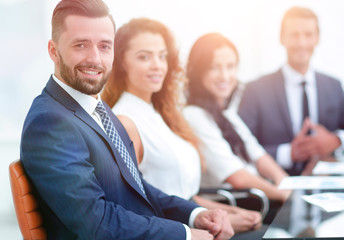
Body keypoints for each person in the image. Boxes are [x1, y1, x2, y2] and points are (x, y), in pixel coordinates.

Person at [19, 1, 234, 239]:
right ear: (53, 51)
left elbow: (137, 187)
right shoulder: (50, 122)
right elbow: (96, 222)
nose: (95, 59)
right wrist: (186, 235)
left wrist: (196, 215)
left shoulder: (96, 108)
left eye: (104, 46)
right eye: (80, 45)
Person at [102, 18, 264, 236]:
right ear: (121, 62)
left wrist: (228, 213)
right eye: (144, 57)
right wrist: (202, 227)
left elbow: (181, 194)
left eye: (162, 56)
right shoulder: (125, 122)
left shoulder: (160, 115)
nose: (157, 65)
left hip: (194, 224)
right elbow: (138, 207)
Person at [183, 33, 289, 224]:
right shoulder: (194, 116)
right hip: (240, 204)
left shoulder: (226, 112)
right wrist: (282, 194)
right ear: (198, 71)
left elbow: (258, 154)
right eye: (214, 67)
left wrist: (285, 181)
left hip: (260, 198)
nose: (225, 75)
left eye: (230, 67)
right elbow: (236, 177)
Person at [238, 6, 344, 176]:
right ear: (282, 38)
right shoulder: (255, 90)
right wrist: (288, 153)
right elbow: (239, 146)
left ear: (317, 38)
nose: (301, 43)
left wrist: (336, 140)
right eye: (294, 35)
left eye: (308, 35)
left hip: (328, 185)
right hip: (276, 189)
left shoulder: (334, 86)